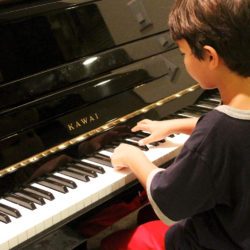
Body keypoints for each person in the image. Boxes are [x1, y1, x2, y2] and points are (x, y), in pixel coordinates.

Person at [101, 0, 250, 249]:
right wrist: (177, 124)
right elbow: (235, 134)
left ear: (210, 56)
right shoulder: (231, 121)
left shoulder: (216, 132)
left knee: (112, 242)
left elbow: (168, 203)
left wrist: (133, 157)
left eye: (183, 54)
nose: (184, 61)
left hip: (213, 242)